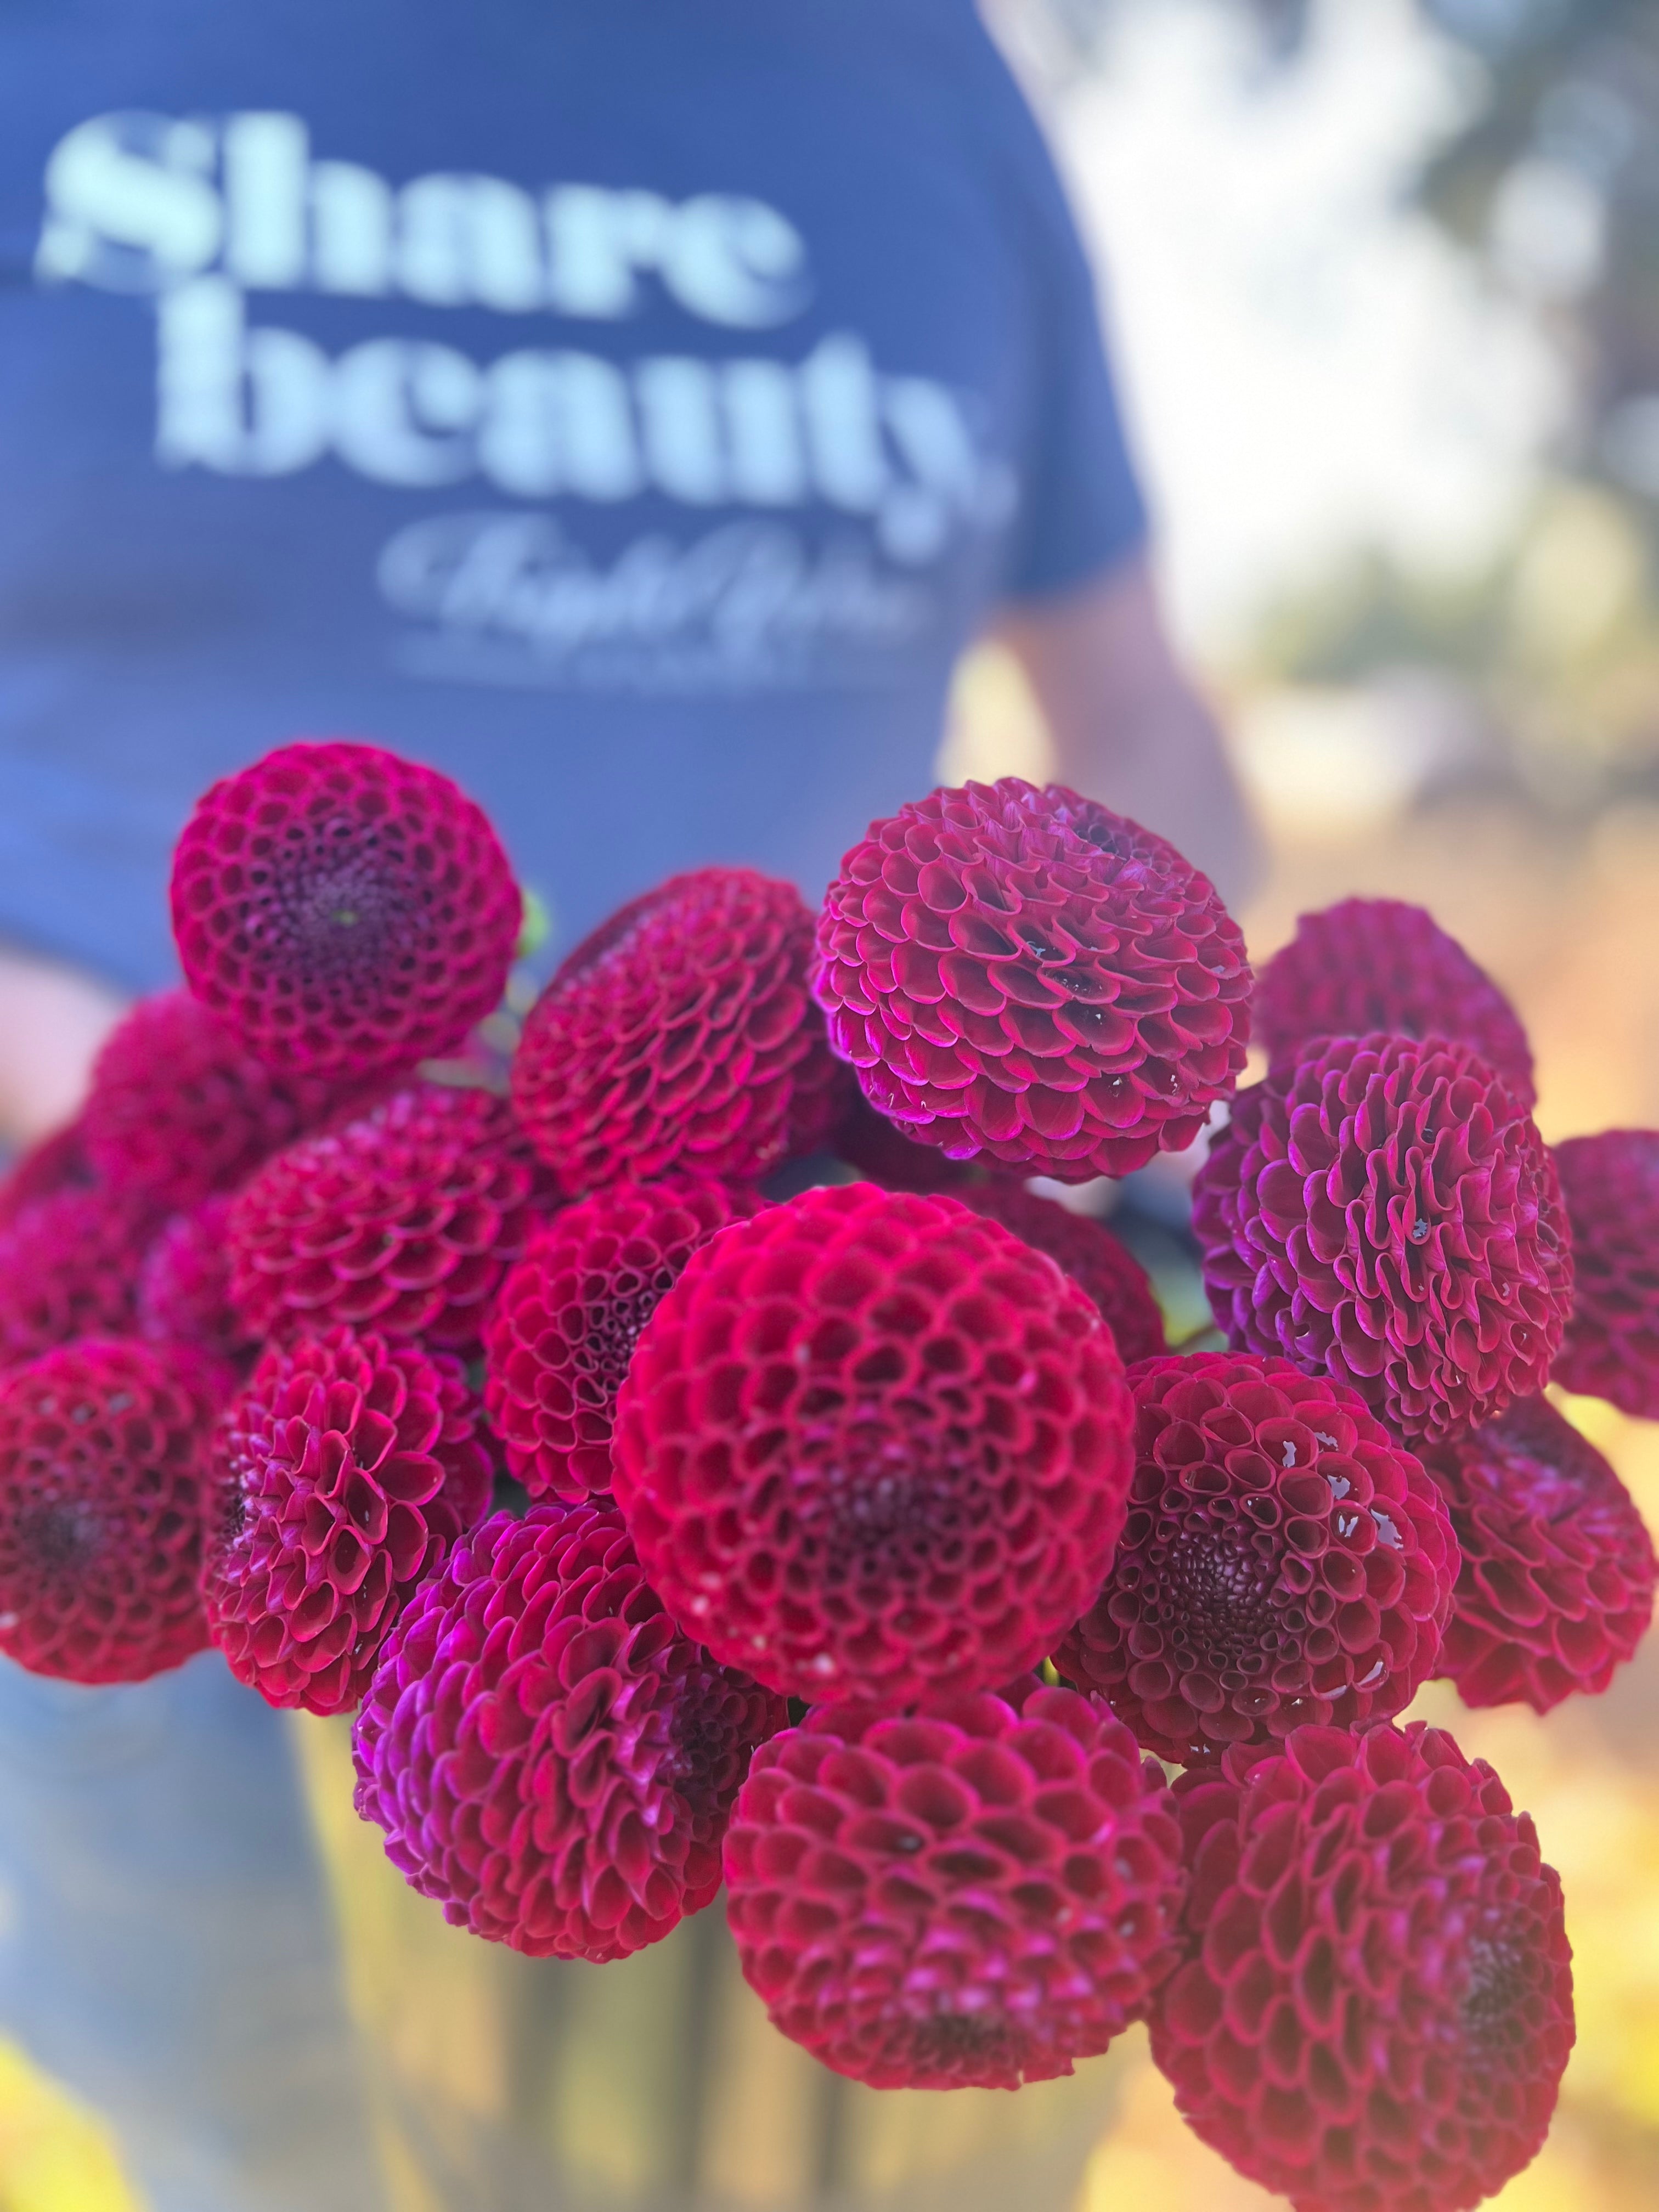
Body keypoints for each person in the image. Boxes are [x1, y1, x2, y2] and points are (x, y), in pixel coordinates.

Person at [0, 3, 1256, 2207]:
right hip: (172, 1413)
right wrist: (95, 1073)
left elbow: (1136, 711)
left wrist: (1133, 1053)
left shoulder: (923, 77)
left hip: (886, 1461)